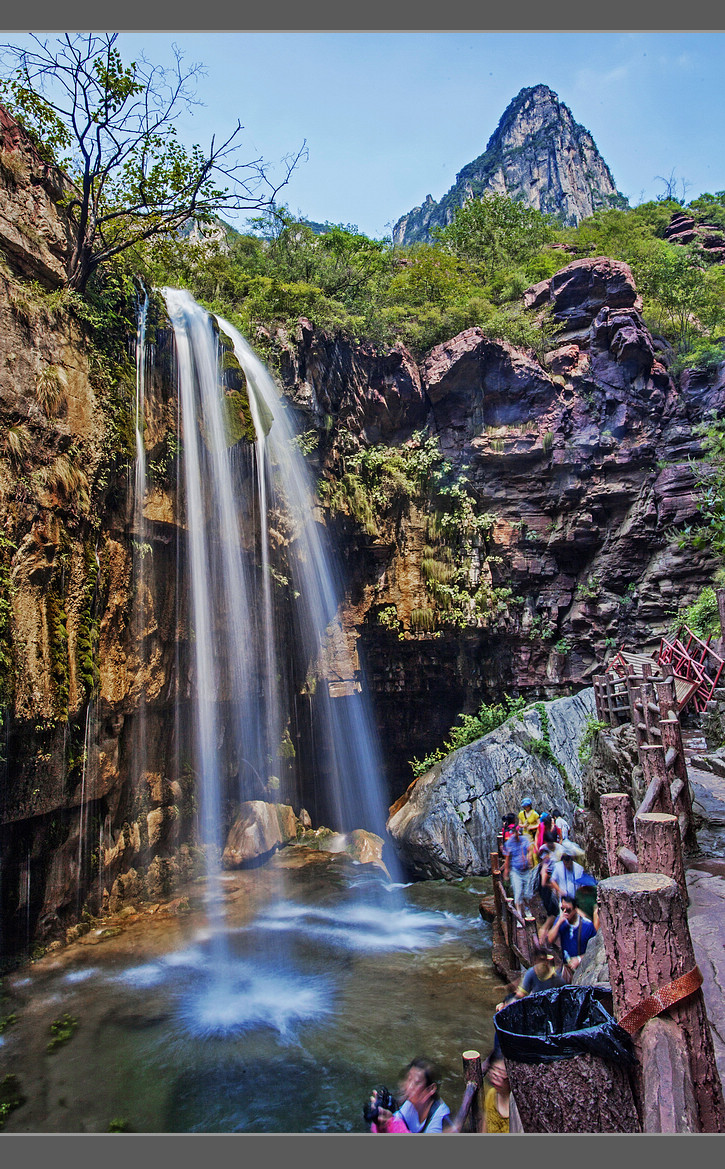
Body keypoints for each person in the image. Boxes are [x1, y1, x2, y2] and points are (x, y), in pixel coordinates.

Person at [369, 1057, 452, 1133]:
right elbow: (393, 1124)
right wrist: (379, 1117)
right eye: (409, 1079)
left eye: (416, 1083)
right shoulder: (411, 1103)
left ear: (431, 1089)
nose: (409, 1087)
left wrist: (391, 1123)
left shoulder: (441, 1120)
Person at [547, 894, 597, 974]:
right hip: (567, 967)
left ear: (575, 909)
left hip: (584, 967)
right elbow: (550, 939)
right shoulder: (561, 920)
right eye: (563, 909)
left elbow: (595, 949)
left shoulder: (587, 925)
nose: (565, 912)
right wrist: (559, 923)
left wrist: (579, 959)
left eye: (568, 910)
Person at [502, 822, 536, 918]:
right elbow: (507, 859)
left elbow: (529, 850)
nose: (518, 834)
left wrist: (529, 858)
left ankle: (527, 909)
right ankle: (519, 916)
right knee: (518, 893)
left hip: (526, 870)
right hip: (516, 871)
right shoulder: (509, 843)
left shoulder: (524, 840)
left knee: (528, 894)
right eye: (516, 832)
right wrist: (506, 873)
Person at [533, 845, 559, 942]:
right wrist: (552, 886)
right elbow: (544, 881)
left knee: (550, 917)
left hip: (543, 892)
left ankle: (544, 941)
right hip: (547, 893)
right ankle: (541, 942)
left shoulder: (542, 864)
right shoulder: (546, 864)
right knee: (551, 916)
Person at [482, 1051, 511, 1133]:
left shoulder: (518, 1105)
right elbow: (484, 1128)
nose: (495, 1078)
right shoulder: (491, 1095)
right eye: (493, 1071)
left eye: (501, 1073)